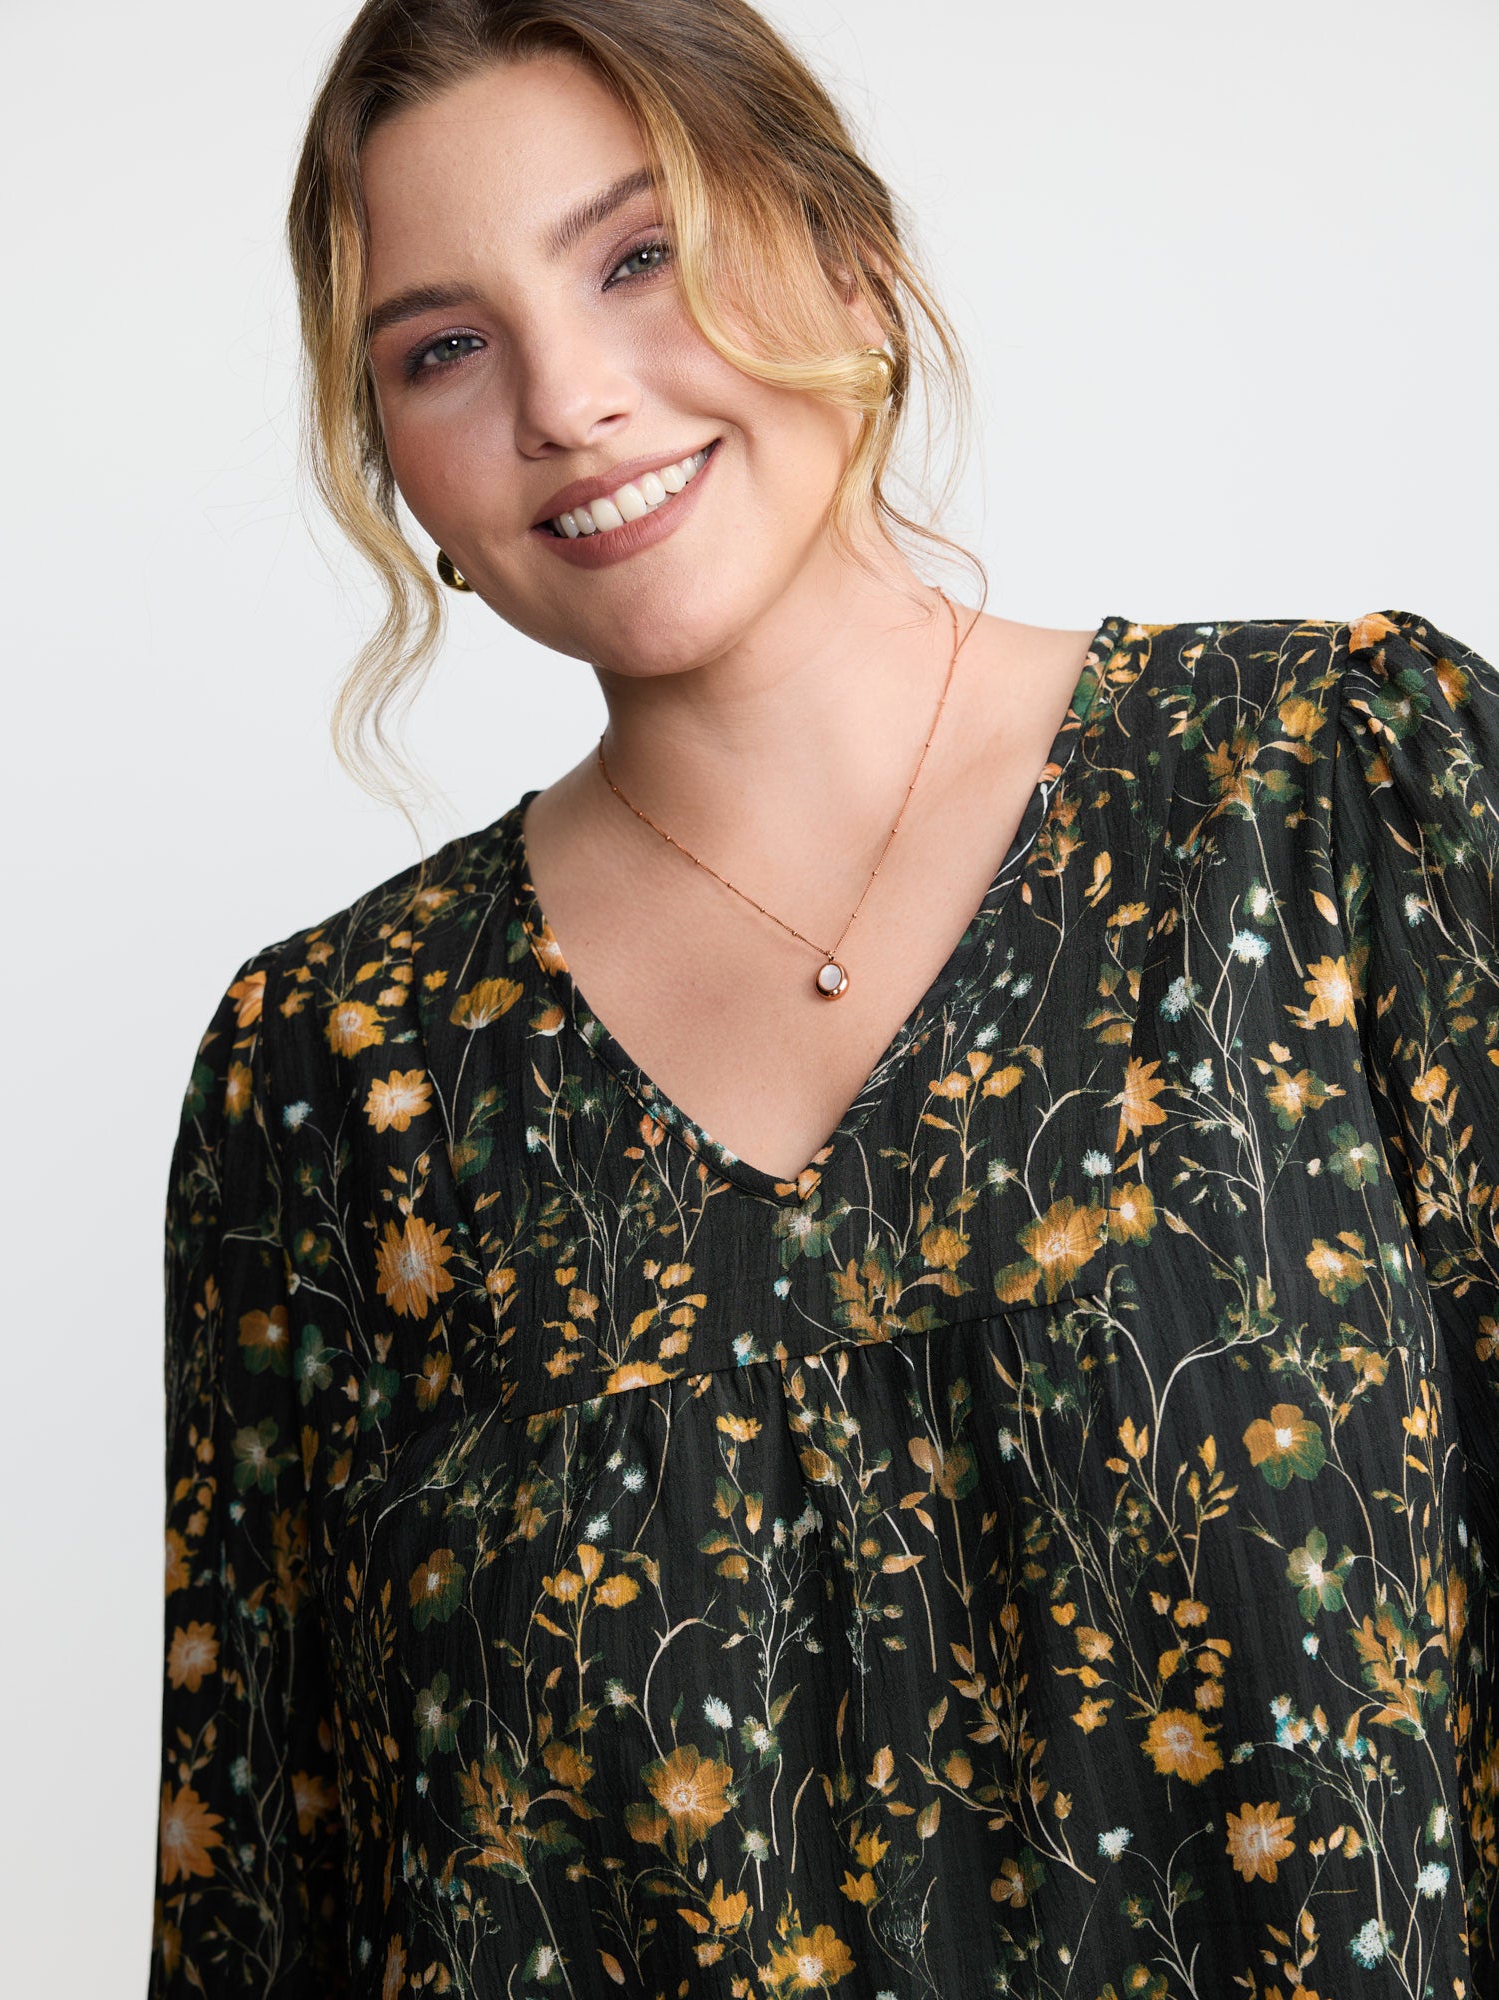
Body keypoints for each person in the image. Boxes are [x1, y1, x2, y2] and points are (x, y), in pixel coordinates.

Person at [149, 2, 1499, 1994]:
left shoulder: (1328, 791)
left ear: (850, 255)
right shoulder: (335, 1071)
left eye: (638, 255)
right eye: (443, 348)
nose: (568, 399)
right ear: (398, 472)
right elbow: (263, 1896)